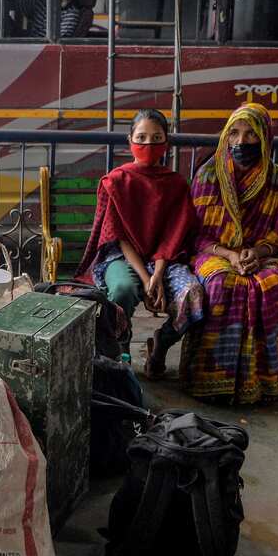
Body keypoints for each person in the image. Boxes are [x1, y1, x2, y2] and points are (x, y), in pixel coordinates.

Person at [181, 103, 278, 405]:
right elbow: (196, 235)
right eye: (234, 133)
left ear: (264, 137)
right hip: (214, 252)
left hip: (261, 255)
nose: (241, 141)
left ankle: (264, 381)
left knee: (275, 287)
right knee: (222, 285)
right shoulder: (209, 176)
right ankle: (211, 378)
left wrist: (258, 252)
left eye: (250, 134)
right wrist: (230, 255)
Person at [75, 108, 205, 376]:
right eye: (142, 137)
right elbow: (119, 236)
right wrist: (146, 281)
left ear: (166, 142)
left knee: (193, 294)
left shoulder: (177, 184)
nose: (148, 144)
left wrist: (157, 273)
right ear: (130, 140)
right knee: (123, 289)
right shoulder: (116, 181)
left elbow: (173, 234)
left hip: (166, 260)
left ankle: (161, 344)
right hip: (122, 257)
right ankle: (120, 349)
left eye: (156, 138)